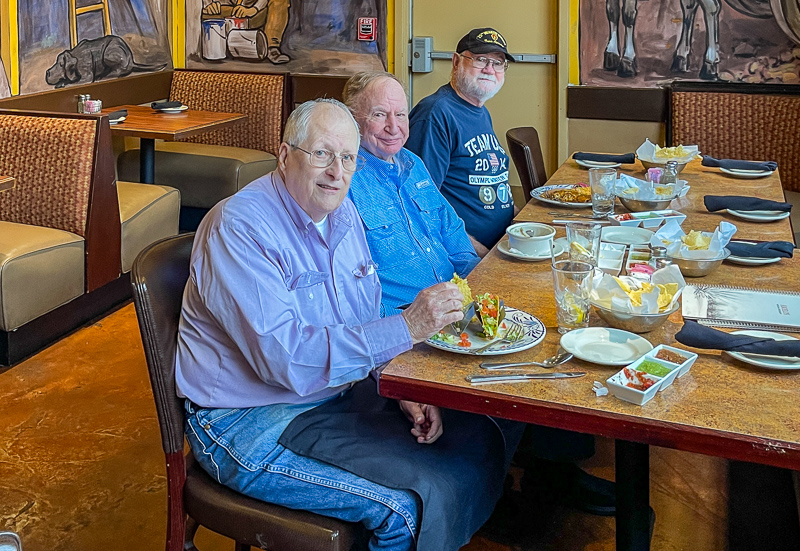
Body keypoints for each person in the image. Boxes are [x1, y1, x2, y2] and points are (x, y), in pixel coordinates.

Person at [175, 98, 522, 550]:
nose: (336, 171)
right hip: (248, 421)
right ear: (284, 155)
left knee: (473, 439)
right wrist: (408, 327)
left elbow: (360, 318)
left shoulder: (342, 216)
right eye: (321, 154)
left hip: (333, 394)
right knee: (407, 505)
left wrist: (398, 386)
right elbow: (287, 362)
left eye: (348, 158)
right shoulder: (240, 226)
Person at [343, 71, 479, 315]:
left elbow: (455, 237)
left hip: (459, 310)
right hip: (407, 326)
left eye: (401, 115)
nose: (393, 127)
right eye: (379, 115)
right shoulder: (343, 181)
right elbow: (350, 291)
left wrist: (480, 289)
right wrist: (406, 324)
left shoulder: (414, 164)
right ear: (353, 119)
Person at [405, 27, 516, 258]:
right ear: (456, 62)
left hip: (504, 242)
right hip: (469, 254)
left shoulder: (479, 110)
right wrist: (482, 257)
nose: (489, 69)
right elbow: (423, 206)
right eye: (480, 59)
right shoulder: (435, 115)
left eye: (498, 63)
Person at [202, 0, 290, 63]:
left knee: (280, 1)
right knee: (207, 13)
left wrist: (254, 9)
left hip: (254, 13)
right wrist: (209, 4)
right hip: (227, 12)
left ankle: (271, 48)